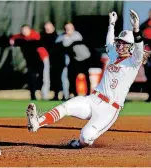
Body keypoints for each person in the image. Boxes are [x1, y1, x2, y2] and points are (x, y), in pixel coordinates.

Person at [26, 10, 148, 148]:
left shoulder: (134, 62)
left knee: (86, 137)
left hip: (109, 109)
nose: (120, 45)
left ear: (131, 47)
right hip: (93, 99)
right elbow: (109, 42)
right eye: (119, 42)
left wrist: (136, 29)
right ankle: (37, 122)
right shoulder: (114, 55)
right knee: (66, 106)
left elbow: (139, 47)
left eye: (124, 44)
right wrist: (111, 24)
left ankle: (78, 144)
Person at [10, 24, 50, 100]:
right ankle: (33, 95)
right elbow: (13, 38)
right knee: (32, 77)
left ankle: (44, 96)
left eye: (26, 30)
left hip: (42, 59)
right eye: (23, 30)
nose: (24, 32)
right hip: (30, 60)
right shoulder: (21, 37)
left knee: (44, 78)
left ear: (29, 30)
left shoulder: (36, 36)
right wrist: (12, 40)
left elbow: (36, 42)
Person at [62, 22, 92, 97]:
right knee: (72, 77)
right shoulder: (65, 37)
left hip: (84, 59)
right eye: (67, 28)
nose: (68, 30)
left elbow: (77, 40)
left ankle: (88, 94)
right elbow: (65, 44)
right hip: (75, 59)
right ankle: (74, 94)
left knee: (86, 77)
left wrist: (69, 38)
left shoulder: (77, 34)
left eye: (70, 28)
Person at [41, 22, 65, 100]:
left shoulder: (58, 37)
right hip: (48, 61)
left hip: (59, 61)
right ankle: (55, 95)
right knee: (52, 79)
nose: (47, 29)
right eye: (46, 28)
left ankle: (64, 95)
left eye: (49, 27)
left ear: (53, 27)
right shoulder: (43, 38)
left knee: (60, 78)